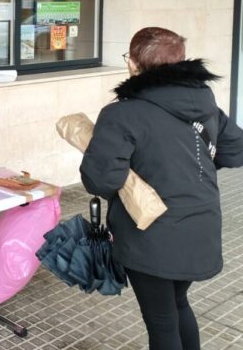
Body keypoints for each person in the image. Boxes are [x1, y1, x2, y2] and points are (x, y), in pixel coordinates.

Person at [80, 27, 243, 350]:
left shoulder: (122, 114)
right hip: (202, 229)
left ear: (136, 64)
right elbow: (235, 149)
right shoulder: (205, 103)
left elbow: (100, 181)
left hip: (151, 238)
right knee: (177, 304)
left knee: (162, 322)